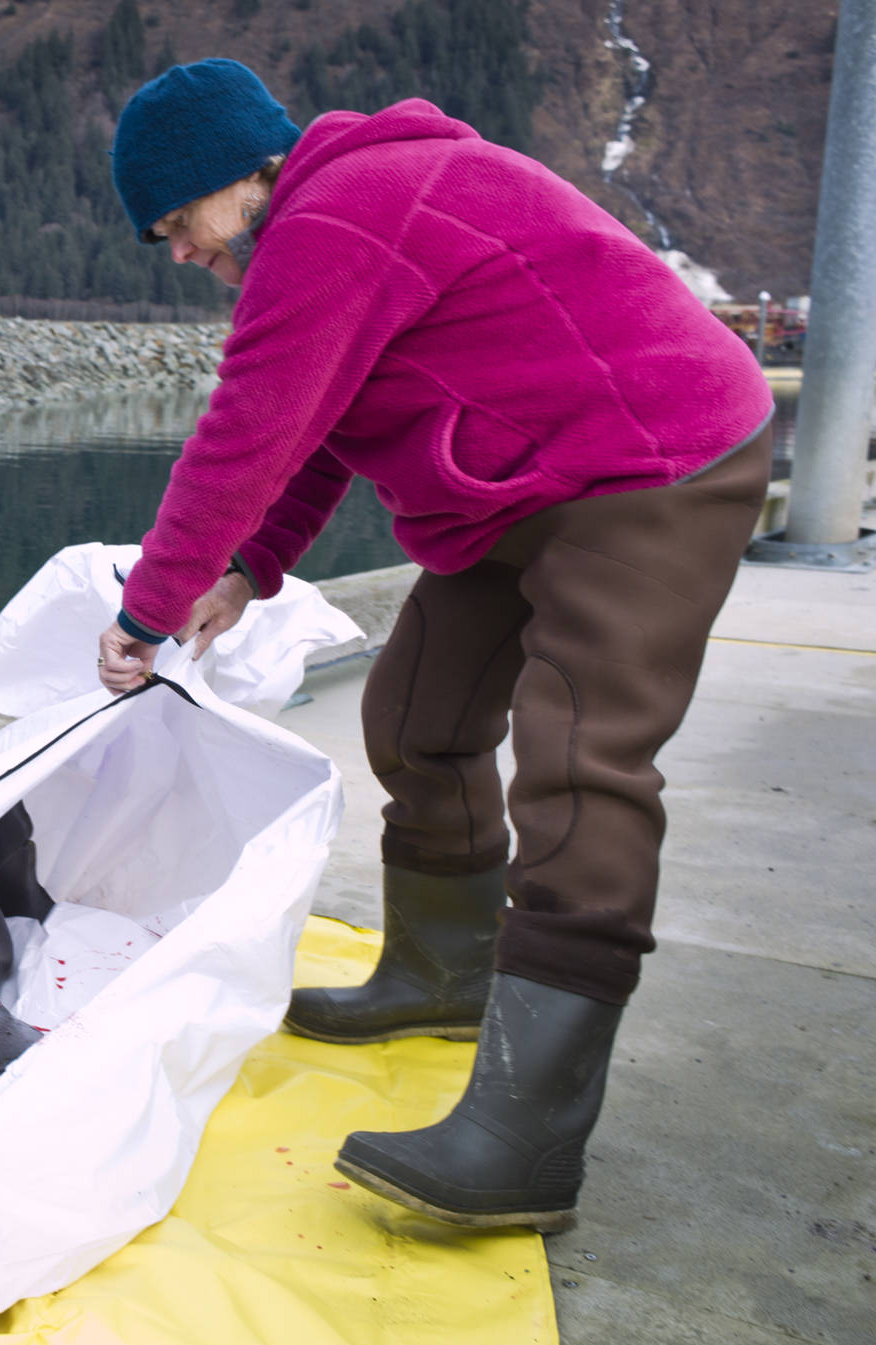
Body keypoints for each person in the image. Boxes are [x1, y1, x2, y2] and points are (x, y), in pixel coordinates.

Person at [97, 61, 772, 1231]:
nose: (179, 251)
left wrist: (145, 609)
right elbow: (313, 432)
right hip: (522, 484)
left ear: (239, 177)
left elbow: (243, 433)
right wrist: (247, 568)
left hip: (651, 463)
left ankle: (526, 1140)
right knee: (415, 718)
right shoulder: (323, 222)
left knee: (580, 766)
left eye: (178, 223)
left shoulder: (339, 218)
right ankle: (442, 973)